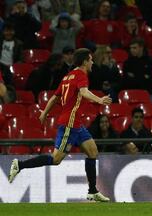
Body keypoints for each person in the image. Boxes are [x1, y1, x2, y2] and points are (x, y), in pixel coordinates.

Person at [8, 48, 112, 202]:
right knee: (56, 159)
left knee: (93, 152)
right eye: (90, 59)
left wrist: (44, 113)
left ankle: (92, 191)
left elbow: (55, 98)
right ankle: (20, 165)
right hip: (70, 123)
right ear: (84, 61)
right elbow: (83, 92)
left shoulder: (67, 77)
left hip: (77, 123)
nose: (92, 62)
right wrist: (100, 99)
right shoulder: (81, 75)